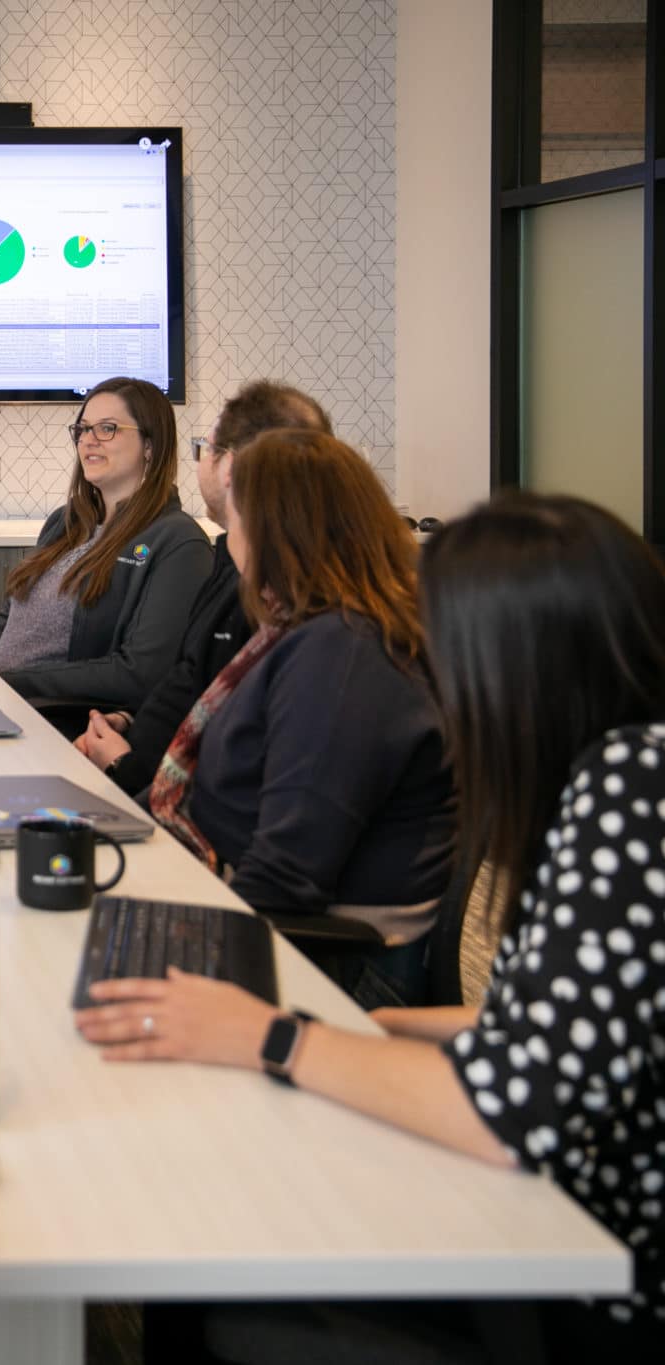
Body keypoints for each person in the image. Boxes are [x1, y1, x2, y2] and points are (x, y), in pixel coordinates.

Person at [78, 493, 665, 1360]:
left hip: (582, 1278)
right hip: (549, 1218)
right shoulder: (614, 773)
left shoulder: (630, 788)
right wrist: (371, 1029)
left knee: (203, 1243)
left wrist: (276, 1037)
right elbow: (567, 1027)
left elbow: (513, 1107)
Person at [145, 429, 454, 1005]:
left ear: (272, 532)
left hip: (332, 967)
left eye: (234, 517)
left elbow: (286, 877)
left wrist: (173, 948)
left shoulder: (343, 654)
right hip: (263, 915)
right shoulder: (316, 629)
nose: (227, 534)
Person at [73, 381, 334, 794]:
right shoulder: (237, 564)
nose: (89, 440)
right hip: (140, 771)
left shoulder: (282, 593)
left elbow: (239, 753)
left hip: (167, 804)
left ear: (228, 468)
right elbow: (192, 685)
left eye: (203, 448)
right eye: (84, 429)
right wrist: (132, 720)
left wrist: (124, 766)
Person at [0, 376, 212, 713]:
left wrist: (15, 681)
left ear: (150, 445)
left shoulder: (178, 542)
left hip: (57, 719)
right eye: (83, 429)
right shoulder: (64, 522)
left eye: (107, 428)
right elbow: (10, 614)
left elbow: (141, 673)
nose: (89, 440)